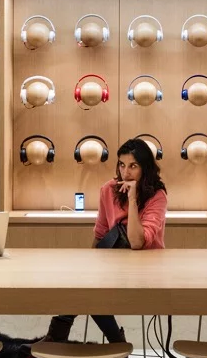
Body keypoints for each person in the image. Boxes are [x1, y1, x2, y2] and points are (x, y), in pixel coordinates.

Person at [46, 137, 167, 343]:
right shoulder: (108, 189)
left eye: (133, 166)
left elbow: (138, 243)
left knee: (86, 292)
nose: (125, 173)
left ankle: (58, 337)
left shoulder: (157, 195)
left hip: (146, 270)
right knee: (81, 287)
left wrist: (132, 199)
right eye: (121, 165)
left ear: (145, 168)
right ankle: (113, 341)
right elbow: (101, 233)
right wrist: (90, 267)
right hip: (114, 265)